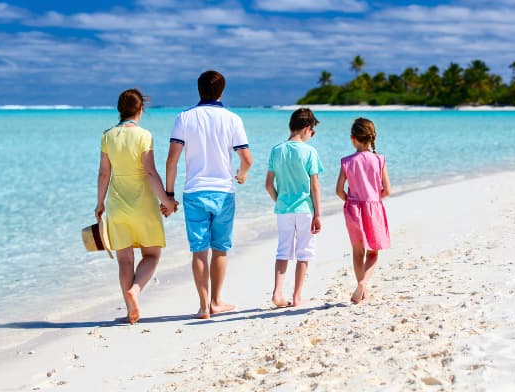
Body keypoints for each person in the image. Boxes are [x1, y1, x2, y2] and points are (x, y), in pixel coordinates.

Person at [163, 70, 252, 319]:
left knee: (199, 251)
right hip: (223, 192)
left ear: (199, 90)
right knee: (220, 249)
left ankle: (203, 307)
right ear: (222, 92)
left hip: (194, 192)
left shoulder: (184, 118)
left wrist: (169, 195)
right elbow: (246, 158)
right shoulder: (232, 119)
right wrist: (242, 174)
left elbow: (172, 160)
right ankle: (216, 301)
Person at [96, 88, 179, 324]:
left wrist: (99, 203)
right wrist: (167, 202)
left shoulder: (107, 136)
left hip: (116, 204)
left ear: (120, 110)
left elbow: (104, 174)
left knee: (124, 261)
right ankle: (136, 290)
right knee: (151, 254)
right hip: (143, 204)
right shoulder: (144, 135)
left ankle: (128, 310)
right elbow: (150, 172)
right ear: (140, 109)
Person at [264, 108, 323, 308]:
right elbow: (315, 185)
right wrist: (318, 214)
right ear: (307, 129)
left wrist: (279, 201)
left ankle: (277, 293)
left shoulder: (276, 150)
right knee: (304, 252)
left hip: (283, 209)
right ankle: (297, 296)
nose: (312, 135)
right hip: (305, 209)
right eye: (313, 131)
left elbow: (268, 184)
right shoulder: (310, 152)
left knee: (283, 250)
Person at [335, 117, 391, 304]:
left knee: (358, 252)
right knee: (373, 252)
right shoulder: (379, 160)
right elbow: (387, 190)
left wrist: (350, 200)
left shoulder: (346, 161)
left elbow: (338, 190)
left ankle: (361, 285)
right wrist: (374, 198)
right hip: (373, 207)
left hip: (353, 208)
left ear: (353, 138)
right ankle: (363, 284)